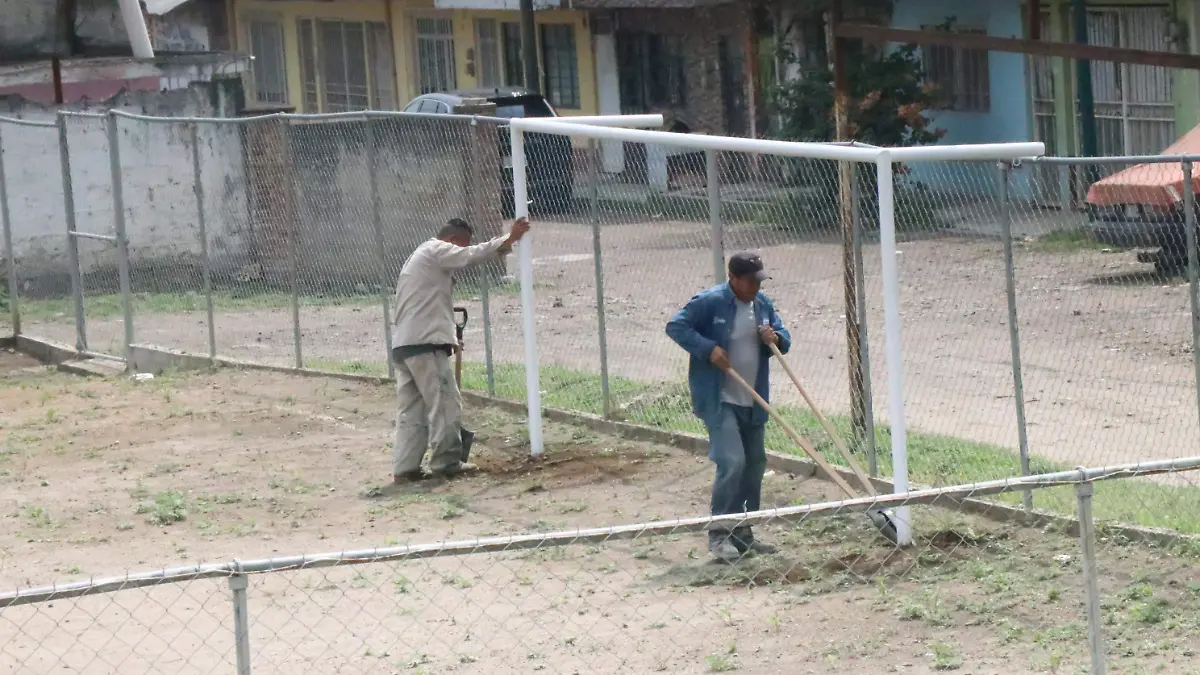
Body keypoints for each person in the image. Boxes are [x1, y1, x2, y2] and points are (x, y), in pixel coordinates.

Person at [665, 252, 792, 562]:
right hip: (719, 397)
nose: (755, 287)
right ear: (733, 278)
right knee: (732, 461)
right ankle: (719, 532)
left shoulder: (763, 305)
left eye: (759, 281)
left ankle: (743, 530)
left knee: (755, 462)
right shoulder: (710, 302)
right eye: (750, 281)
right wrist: (708, 350)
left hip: (753, 396)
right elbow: (676, 326)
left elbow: (783, 337)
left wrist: (774, 337)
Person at [390, 216, 531, 483]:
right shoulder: (436, 249)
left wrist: (448, 337)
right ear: (453, 240)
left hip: (405, 344)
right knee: (445, 403)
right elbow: (470, 255)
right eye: (460, 245)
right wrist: (508, 239)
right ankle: (447, 462)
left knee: (412, 410)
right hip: (424, 344)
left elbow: (426, 304)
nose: (459, 252)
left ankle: (405, 467)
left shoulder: (418, 258)